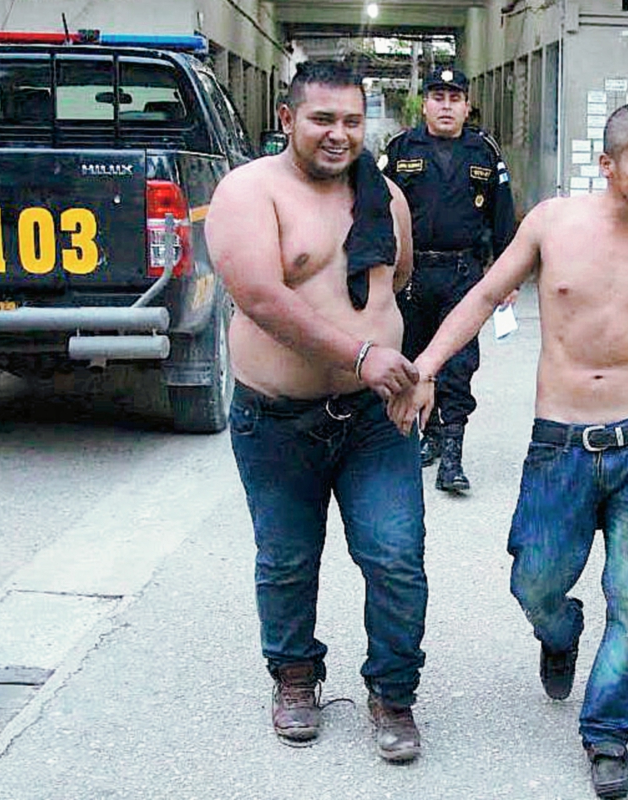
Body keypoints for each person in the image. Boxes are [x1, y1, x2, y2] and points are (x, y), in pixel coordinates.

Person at [391, 102, 628, 799]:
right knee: (535, 584)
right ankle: (560, 631)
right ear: (608, 164)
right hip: (560, 441)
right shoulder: (552, 224)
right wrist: (424, 367)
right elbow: (484, 296)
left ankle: (607, 735)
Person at [206, 60, 428, 763]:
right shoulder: (249, 193)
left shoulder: (386, 196)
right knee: (287, 560)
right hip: (277, 421)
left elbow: (398, 280)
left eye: (353, 121)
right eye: (322, 119)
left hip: (374, 419)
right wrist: (359, 354)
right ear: (287, 120)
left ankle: (393, 694)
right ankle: (295, 678)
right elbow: (263, 299)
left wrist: (387, 367)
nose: (339, 135)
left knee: (395, 558)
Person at [380, 66, 516, 494]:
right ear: (425, 104)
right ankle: (426, 438)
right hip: (412, 275)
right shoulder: (401, 149)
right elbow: (378, 211)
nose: (445, 106)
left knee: (458, 365)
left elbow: (502, 213)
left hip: (463, 275)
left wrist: (506, 272)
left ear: (466, 106)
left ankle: (452, 456)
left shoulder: (484, 151)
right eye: (437, 97)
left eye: (454, 98)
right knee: (412, 358)